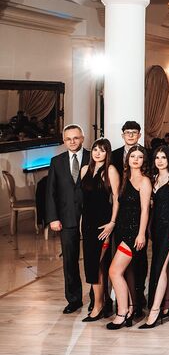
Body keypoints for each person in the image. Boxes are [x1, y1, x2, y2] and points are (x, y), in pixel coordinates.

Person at [46, 125, 90, 314]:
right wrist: (53, 218)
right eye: (68, 139)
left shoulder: (93, 157)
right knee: (69, 261)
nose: (72, 141)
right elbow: (51, 192)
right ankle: (74, 299)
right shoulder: (56, 162)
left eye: (76, 138)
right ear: (64, 141)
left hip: (91, 217)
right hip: (66, 218)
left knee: (93, 260)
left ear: (82, 138)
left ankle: (98, 299)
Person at [106, 144, 152, 329]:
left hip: (134, 233)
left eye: (140, 157)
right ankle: (131, 308)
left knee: (114, 271)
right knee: (124, 272)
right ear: (128, 159)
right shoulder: (126, 178)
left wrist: (141, 234)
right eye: (133, 156)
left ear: (143, 161)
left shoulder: (145, 181)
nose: (136, 159)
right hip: (121, 230)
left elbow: (145, 210)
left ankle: (122, 312)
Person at [141, 146, 169, 329]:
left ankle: (154, 311)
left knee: (159, 267)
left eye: (163, 158)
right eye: (157, 158)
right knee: (165, 266)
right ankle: (168, 303)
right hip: (156, 228)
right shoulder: (153, 178)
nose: (160, 161)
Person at [79, 138, 119, 322]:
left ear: (107, 153)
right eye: (95, 149)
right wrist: (81, 220)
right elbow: (83, 201)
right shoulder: (85, 170)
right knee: (93, 266)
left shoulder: (110, 170)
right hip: (87, 223)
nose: (97, 153)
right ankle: (100, 303)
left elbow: (117, 199)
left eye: (102, 150)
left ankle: (98, 306)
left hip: (103, 224)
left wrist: (112, 222)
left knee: (98, 265)